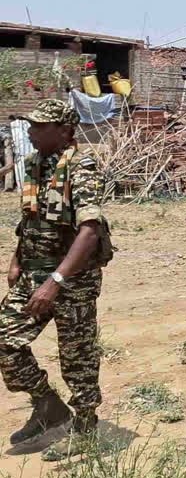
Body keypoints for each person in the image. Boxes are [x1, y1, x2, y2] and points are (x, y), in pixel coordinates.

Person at [0, 99, 113, 456]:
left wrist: (56, 281)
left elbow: (90, 230)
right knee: (5, 339)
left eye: (39, 126)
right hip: (34, 273)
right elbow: (31, 218)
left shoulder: (82, 167)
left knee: (76, 354)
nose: (31, 131)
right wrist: (16, 258)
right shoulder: (35, 164)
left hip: (72, 280)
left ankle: (85, 426)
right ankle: (48, 406)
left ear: (64, 131)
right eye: (30, 125)